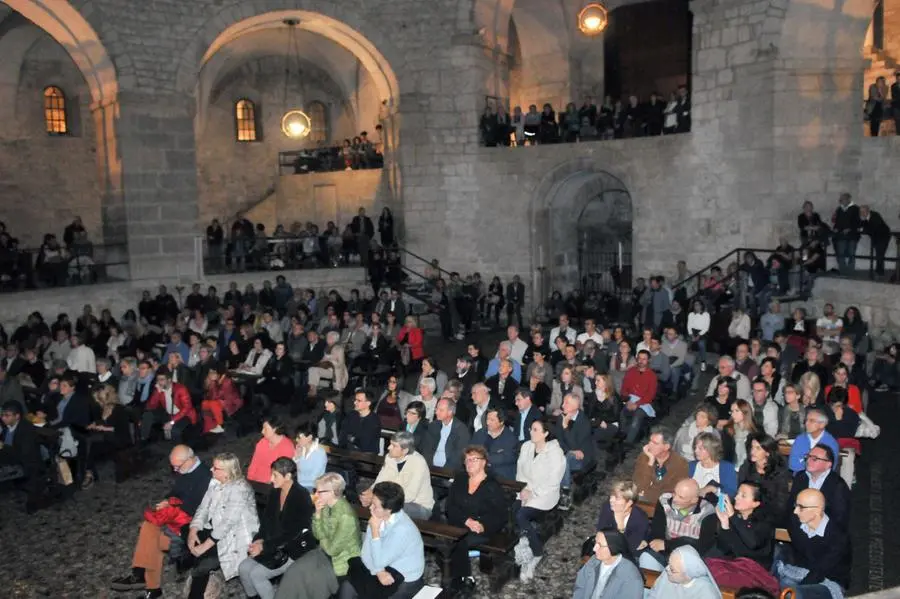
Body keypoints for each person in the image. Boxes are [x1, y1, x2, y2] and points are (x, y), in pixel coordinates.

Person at [110, 446, 213, 597]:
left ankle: (146, 582)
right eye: (173, 466)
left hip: (193, 528)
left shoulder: (205, 476)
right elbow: (175, 493)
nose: (176, 470)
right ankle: (145, 580)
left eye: (178, 466)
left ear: (190, 459)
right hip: (179, 520)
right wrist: (167, 500)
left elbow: (195, 508)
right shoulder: (186, 470)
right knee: (149, 528)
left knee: (152, 538)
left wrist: (170, 505)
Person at [239, 458, 315, 599]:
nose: (270, 479)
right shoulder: (275, 492)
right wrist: (258, 540)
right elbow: (266, 521)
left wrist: (264, 546)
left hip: (292, 548)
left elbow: (294, 533)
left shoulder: (301, 496)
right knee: (243, 569)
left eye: (275, 475)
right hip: (271, 544)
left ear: (288, 476)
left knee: (257, 575)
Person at [186, 453, 259, 599]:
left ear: (227, 472)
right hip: (218, 532)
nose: (211, 470)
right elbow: (203, 508)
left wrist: (203, 547)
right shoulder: (215, 483)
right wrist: (193, 530)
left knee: (203, 563)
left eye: (216, 468)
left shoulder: (239, 489)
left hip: (237, 537)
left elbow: (228, 523)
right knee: (198, 557)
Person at [275, 472, 359, 597]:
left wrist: (323, 538)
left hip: (340, 562)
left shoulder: (346, 516)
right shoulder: (325, 506)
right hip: (322, 553)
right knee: (293, 571)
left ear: (332, 492)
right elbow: (317, 535)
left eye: (319, 491)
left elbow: (332, 550)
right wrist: (318, 514)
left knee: (311, 581)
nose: (315, 494)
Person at [341, 481, 425, 599]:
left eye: (375, 506)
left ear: (389, 509)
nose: (370, 507)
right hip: (381, 569)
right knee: (347, 587)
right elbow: (365, 554)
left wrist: (375, 532)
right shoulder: (378, 517)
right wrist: (379, 571)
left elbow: (380, 560)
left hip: (403, 578)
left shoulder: (403, 529)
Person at [444, 445, 509, 593]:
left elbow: (499, 515)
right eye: (467, 460)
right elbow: (450, 506)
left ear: (484, 462)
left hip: (481, 528)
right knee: (445, 539)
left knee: (458, 541)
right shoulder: (460, 479)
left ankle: (465, 579)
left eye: (474, 459)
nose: (469, 463)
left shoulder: (492, 485)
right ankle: (458, 575)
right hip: (460, 523)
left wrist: (482, 525)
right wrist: (466, 520)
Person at [513, 418, 566, 581]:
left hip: (545, 494)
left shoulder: (556, 453)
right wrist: (523, 490)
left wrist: (533, 492)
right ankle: (524, 544)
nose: (531, 432)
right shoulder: (526, 447)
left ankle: (536, 553)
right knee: (511, 510)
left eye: (536, 430)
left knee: (521, 515)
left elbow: (553, 481)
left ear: (546, 433)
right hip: (525, 490)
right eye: (531, 429)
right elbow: (520, 471)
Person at [775, 489, 851, 598]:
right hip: (799, 571)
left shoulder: (838, 537)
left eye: (801, 507)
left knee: (792, 593)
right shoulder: (795, 520)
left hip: (828, 581)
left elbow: (819, 572)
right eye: (795, 505)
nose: (796, 511)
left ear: (818, 510)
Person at [644, 479, 717, 572]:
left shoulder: (707, 511)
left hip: (690, 559)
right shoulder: (664, 501)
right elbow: (657, 532)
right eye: (674, 493)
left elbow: (702, 546)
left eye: (681, 497)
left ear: (694, 500)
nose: (674, 499)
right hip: (665, 553)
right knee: (646, 557)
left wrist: (668, 545)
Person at [361, 431, 434, 520]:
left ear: (405, 450)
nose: (388, 447)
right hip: (392, 499)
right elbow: (380, 481)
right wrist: (371, 492)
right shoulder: (389, 457)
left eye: (394, 445)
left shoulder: (418, 463)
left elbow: (409, 496)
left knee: (386, 509)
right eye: (390, 444)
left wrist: (379, 500)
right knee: (368, 498)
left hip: (419, 505)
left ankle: (381, 532)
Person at [786, 444, 850, 532]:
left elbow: (840, 519)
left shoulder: (838, 485)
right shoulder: (800, 477)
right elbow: (791, 505)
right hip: (799, 526)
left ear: (828, 464)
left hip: (825, 533)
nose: (808, 460)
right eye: (808, 457)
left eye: (815, 459)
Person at [581, 480, 651, 558]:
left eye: (617, 498)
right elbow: (600, 533)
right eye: (611, 496)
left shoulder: (640, 518)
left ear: (629, 503)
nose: (611, 500)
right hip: (606, 551)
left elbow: (628, 550)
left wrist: (620, 525)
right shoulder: (607, 508)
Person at [81, 384, 131, 488]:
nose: (99, 402)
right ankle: (89, 473)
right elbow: (103, 421)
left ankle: (89, 473)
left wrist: (104, 428)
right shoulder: (103, 409)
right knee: (91, 444)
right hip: (108, 438)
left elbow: (121, 428)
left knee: (94, 441)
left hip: (120, 438)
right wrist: (95, 424)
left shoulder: (119, 409)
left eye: (100, 399)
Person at [0, 400, 46, 513]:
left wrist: (3, 447)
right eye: (2, 415)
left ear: (17, 416)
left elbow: (23, 455)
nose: (3, 418)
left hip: (25, 464)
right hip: (9, 459)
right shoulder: (7, 427)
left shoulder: (26, 430)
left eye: (7, 415)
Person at [572, 530, 645, 599]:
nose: (594, 549)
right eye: (595, 543)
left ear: (613, 547)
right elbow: (580, 587)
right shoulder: (594, 561)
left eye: (600, 545)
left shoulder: (631, 576)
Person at [737, 433, 792, 524]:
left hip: (770, 514)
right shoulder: (746, 468)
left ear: (768, 452)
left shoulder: (779, 471)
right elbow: (741, 491)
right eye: (752, 447)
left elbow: (780, 502)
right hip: (748, 510)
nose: (752, 451)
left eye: (758, 448)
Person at [554, 392, 596, 509]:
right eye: (563, 402)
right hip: (568, 453)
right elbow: (559, 440)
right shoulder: (561, 418)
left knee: (564, 459)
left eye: (566, 403)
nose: (562, 405)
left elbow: (577, 446)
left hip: (583, 458)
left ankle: (565, 493)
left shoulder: (584, 422)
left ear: (575, 406)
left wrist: (565, 427)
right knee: (561, 457)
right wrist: (570, 451)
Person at [633, 426, 689, 505]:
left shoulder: (680, 464)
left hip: (666, 504)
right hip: (644, 500)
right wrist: (650, 462)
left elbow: (675, 491)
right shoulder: (644, 457)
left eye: (655, 443)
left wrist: (649, 492)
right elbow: (640, 486)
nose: (649, 445)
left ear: (666, 447)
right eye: (650, 441)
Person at [140, 367, 197, 442]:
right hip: (169, 414)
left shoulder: (181, 389)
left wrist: (172, 422)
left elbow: (187, 408)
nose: (159, 382)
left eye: (162, 380)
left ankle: (176, 449)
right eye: (158, 380)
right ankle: (143, 439)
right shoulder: (159, 389)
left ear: (169, 380)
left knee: (175, 430)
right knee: (147, 415)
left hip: (184, 416)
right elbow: (151, 406)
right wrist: (157, 393)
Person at [647, 545, 722, 599]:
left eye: (672, 570)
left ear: (688, 574)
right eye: (669, 564)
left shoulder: (707, 592)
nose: (667, 569)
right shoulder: (666, 576)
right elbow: (653, 595)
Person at [619, 350, 658, 445]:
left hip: (644, 402)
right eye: (639, 358)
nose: (641, 361)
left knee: (637, 416)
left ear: (648, 360)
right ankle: (623, 434)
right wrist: (627, 400)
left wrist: (637, 404)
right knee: (622, 414)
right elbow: (624, 388)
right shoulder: (631, 371)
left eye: (644, 359)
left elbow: (650, 395)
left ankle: (628, 442)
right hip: (630, 399)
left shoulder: (652, 375)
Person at [421, 397, 471, 470]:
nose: (436, 412)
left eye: (441, 410)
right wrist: (429, 468)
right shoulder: (433, 425)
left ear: (450, 412)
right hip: (430, 468)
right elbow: (426, 449)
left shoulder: (461, 430)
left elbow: (458, 456)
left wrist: (445, 471)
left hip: (449, 471)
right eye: (436, 409)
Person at [787, 408, 840, 473]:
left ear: (822, 424)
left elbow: (829, 468)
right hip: (800, 477)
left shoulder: (831, 443)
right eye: (806, 420)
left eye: (811, 421)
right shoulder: (800, 439)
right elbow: (793, 465)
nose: (806, 423)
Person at [471, 406, 517, 479]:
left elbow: (504, 458)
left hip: (499, 477)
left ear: (501, 422)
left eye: (492, 420)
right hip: (477, 474)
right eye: (487, 419)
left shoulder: (510, 438)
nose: (487, 422)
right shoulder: (480, 433)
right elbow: (471, 451)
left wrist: (481, 459)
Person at [247, 415, 296, 484]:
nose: (262, 431)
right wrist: (250, 480)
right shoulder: (262, 442)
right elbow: (254, 464)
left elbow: (280, 476)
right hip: (255, 482)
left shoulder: (287, 447)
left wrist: (267, 483)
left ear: (274, 429)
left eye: (265, 429)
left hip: (271, 485)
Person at [689, 432, 737, 501]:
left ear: (711, 449)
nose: (696, 451)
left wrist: (714, 489)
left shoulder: (726, 468)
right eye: (695, 447)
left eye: (700, 448)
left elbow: (731, 494)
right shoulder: (691, 466)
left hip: (716, 507)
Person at [720, 399, 757, 471]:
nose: (733, 414)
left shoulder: (756, 431)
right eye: (732, 411)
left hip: (751, 468)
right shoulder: (727, 430)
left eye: (737, 411)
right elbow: (725, 454)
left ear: (745, 412)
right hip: (732, 467)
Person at [293, 421, 327, 491]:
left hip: (313, 488)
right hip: (300, 485)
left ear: (309, 437)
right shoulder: (301, 449)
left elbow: (313, 478)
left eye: (299, 437)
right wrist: (297, 458)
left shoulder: (320, 453)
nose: (296, 440)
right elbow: (295, 470)